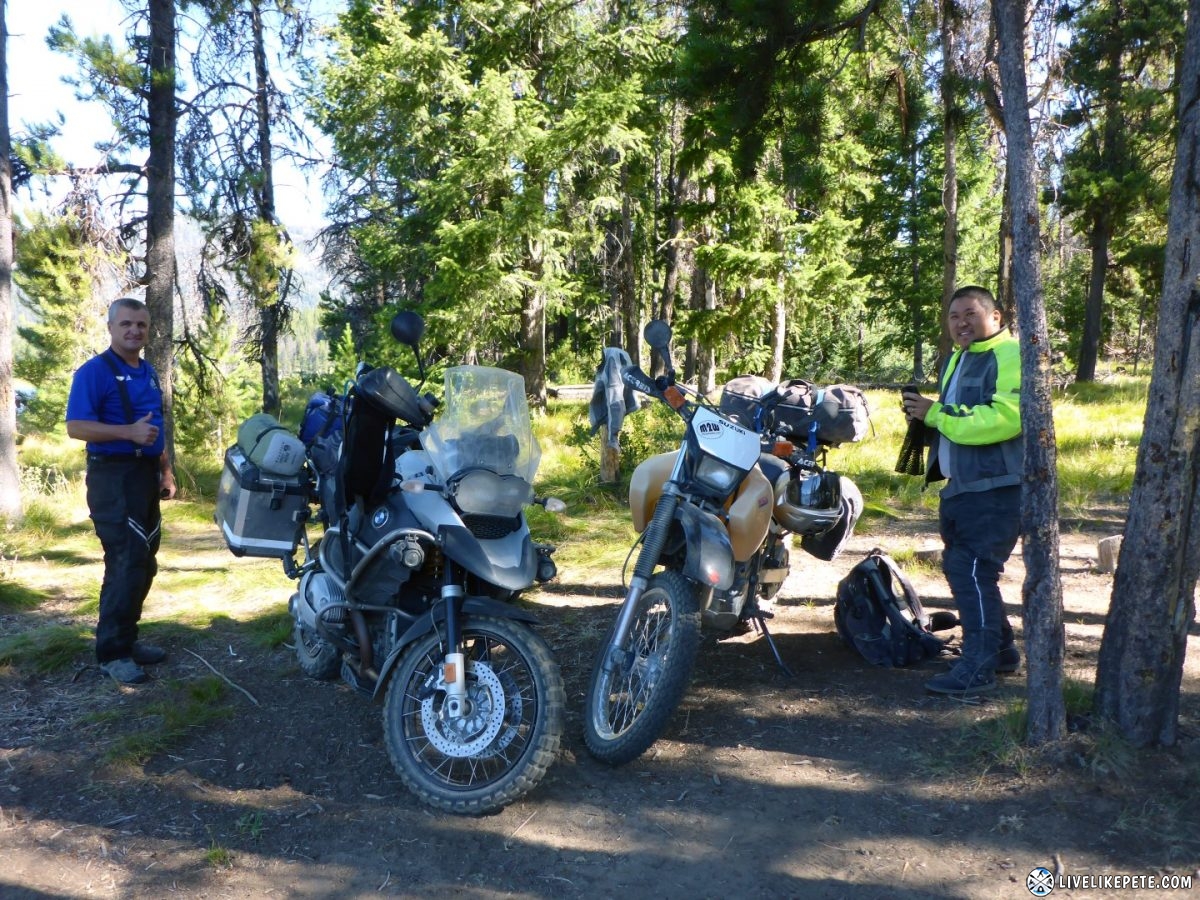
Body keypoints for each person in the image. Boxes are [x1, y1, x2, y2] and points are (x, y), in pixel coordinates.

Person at [901, 285, 1022, 695]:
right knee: (968, 571)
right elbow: (958, 414)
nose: (961, 323)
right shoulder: (960, 358)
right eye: (954, 316)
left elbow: (1006, 419)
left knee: (970, 571)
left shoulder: (1010, 355)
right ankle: (1001, 651)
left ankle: (978, 667)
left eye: (970, 313)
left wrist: (936, 413)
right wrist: (927, 413)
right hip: (962, 487)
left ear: (996, 317)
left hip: (996, 487)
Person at [66, 298, 177, 685]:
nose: (134, 331)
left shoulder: (149, 372)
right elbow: (76, 426)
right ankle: (111, 652)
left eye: (141, 325)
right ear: (111, 327)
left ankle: (127, 641)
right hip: (112, 476)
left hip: (144, 475)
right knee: (126, 558)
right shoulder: (94, 372)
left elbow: (155, 427)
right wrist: (126, 433)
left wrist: (165, 471)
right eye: (126, 324)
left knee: (145, 561)